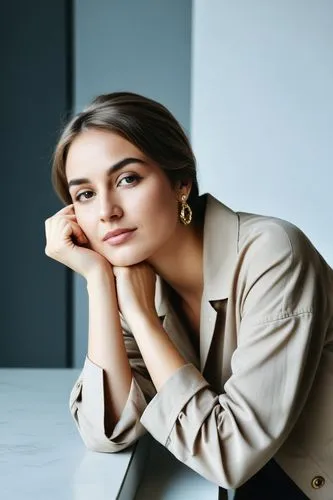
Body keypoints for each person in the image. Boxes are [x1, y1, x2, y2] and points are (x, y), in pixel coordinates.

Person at [45, 92, 333, 499]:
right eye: (85, 194)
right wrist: (98, 281)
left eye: (127, 179)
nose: (107, 210)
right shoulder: (137, 278)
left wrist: (143, 319)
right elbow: (106, 430)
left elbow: (228, 454)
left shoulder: (272, 253)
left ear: (181, 182)